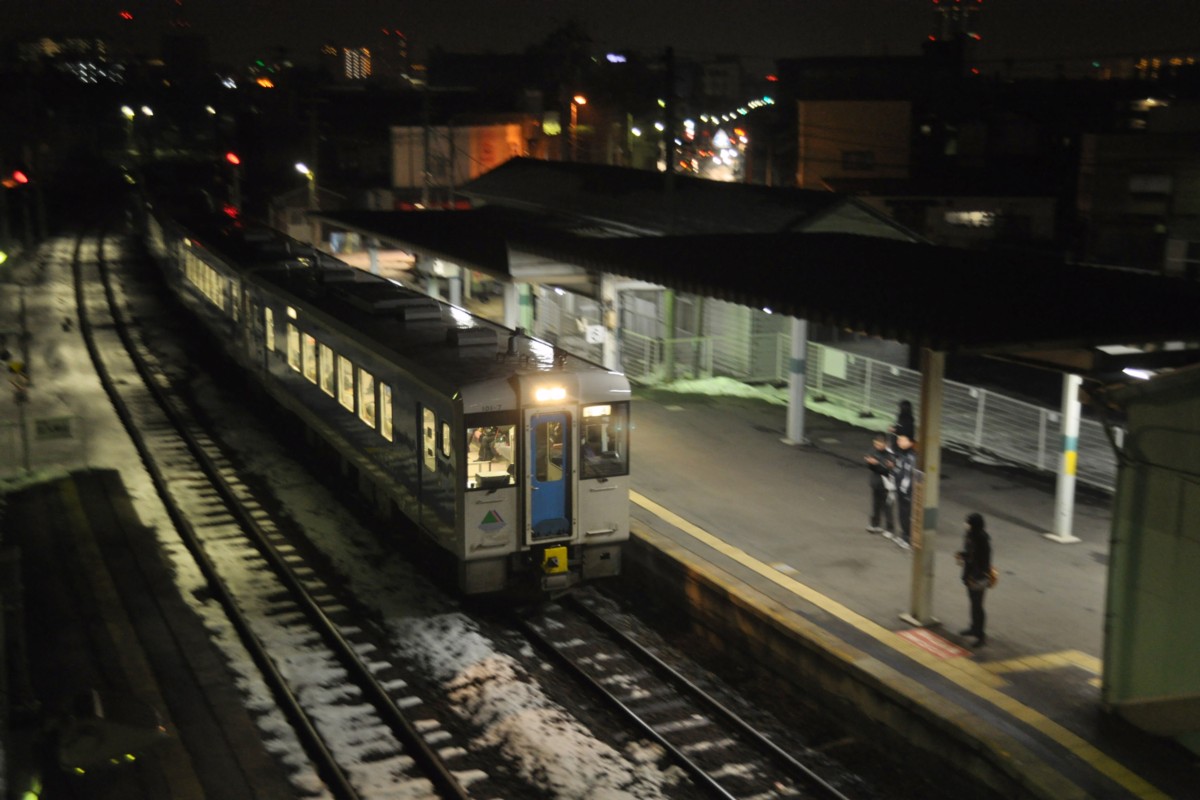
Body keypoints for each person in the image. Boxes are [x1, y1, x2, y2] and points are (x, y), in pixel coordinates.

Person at [956, 512, 992, 647]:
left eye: (968, 522)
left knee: (978, 606)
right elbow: (970, 554)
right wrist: (962, 555)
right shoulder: (970, 536)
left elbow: (984, 562)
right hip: (970, 576)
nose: (965, 524)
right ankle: (973, 628)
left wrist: (975, 577)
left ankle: (980, 635)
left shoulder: (982, 539)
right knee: (973, 603)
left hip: (978, 578)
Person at [863, 435, 895, 534]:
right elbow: (870, 465)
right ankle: (874, 524)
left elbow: (887, 469)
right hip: (876, 482)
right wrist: (870, 463)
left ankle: (890, 528)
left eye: (880, 444)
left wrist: (876, 463)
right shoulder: (872, 451)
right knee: (876, 505)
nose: (878, 446)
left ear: (885, 444)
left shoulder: (889, 455)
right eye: (876, 444)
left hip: (886, 483)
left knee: (887, 506)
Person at [892, 434, 917, 549]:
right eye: (899, 439)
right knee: (901, 512)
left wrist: (904, 488)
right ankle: (903, 535)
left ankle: (908, 538)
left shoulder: (911, 456)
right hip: (900, 488)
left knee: (907, 514)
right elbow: (897, 468)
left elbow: (908, 474)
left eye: (902, 440)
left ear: (911, 442)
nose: (899, 442)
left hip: (907, 490)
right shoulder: (901, 454)